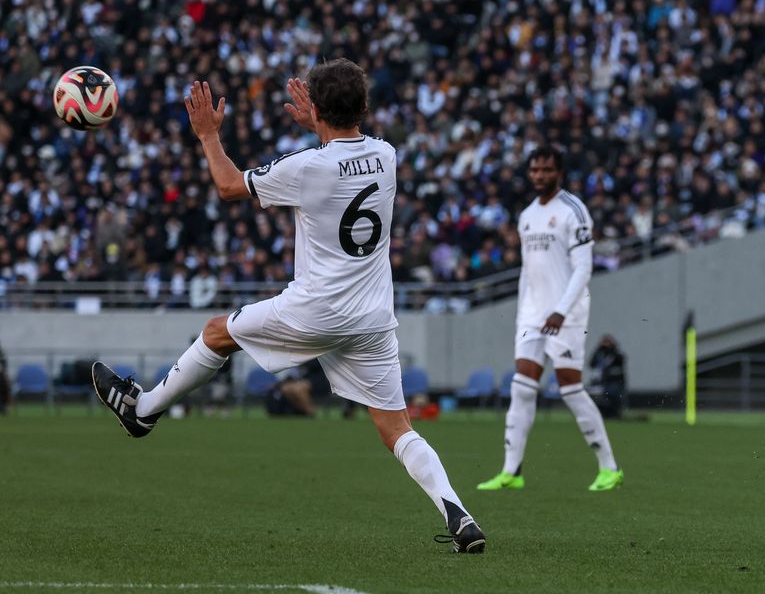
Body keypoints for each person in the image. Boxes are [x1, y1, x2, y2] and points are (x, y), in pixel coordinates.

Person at [90, 60, 484, 553]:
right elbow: (347, 155)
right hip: (372, 318)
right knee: (395, 426)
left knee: (216, 332)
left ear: (316, 109)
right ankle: (457, 512)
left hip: (316, 311)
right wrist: (321, 125)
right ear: (364, 107)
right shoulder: (387, 154)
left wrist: (209, 135)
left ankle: (142, 411)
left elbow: (229, 185)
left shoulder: (306, 166)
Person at [476, 147, 623, 492]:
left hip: (567, 313)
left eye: (546, 170)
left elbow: (584, 267)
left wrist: (561, 309)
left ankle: (609, 467)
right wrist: (523, 312)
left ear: (559, 172)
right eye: (535, 170)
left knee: (570, 389)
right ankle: (512, 472)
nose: (539, 175)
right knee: (521, 388)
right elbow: (528, 271)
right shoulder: (527, 215)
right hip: (532, 313)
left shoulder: (574, 210)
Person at [588, 334, 626, 419]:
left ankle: (613, 414)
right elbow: (591, 364)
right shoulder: (599, 353)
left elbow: (620, 362)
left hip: (614, 382)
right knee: (595, 395)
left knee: (611, 394)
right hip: (600, 381)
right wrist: (599, 349)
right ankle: (600, 413)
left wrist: (611, 349)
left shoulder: (616, 354)